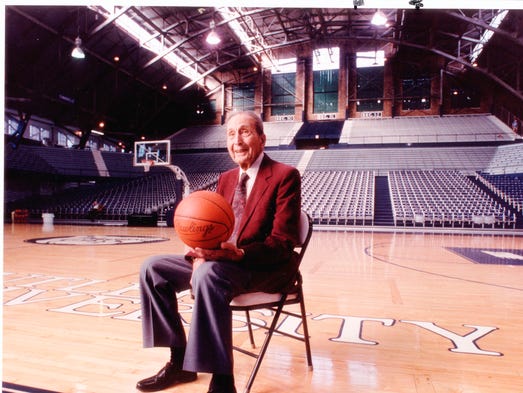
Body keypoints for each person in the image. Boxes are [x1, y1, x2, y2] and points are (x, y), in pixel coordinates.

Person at [137, 111, 302, 393]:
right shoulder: (225, 178)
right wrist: (198, 252)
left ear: (262, 139)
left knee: (209, 276)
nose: (237, 141)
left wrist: (236, 254)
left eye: (245, 132)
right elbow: (212, 231)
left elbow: (282, 243)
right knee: (152, 268)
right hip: (220, 263)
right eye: (230, 134)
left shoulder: (285, 176)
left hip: (263, 267)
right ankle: (180, 363)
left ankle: (223, 382)